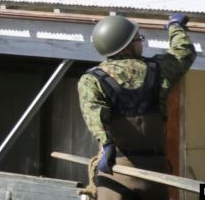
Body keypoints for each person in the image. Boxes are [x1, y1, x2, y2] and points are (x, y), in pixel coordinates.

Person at [77, 13, 195, 200]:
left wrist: (107, 144)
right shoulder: (158, 69)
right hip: (154, 177)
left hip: (115, 173)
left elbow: (94, 115)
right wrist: (175, 27)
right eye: (139, 38)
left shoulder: (92, 80)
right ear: (127, 46)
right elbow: (183, 52)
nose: (141, 42)